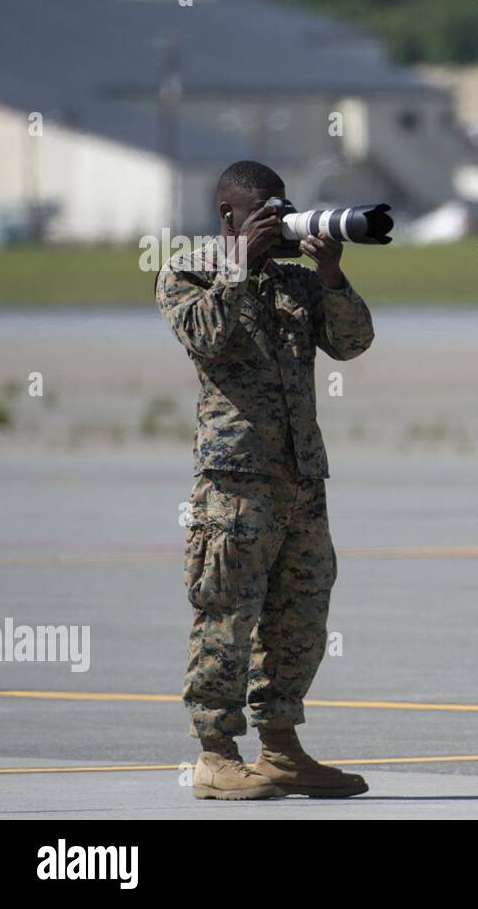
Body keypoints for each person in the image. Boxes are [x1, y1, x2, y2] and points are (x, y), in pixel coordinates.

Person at [156, 160, 374, 799]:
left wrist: (331, 276)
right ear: (230, 216)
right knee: (226, 616)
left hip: (302, 479)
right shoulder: (189, 271)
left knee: (300, 617)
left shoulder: (296, 283)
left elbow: (355, 341)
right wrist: (238, 267)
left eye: (284, 206)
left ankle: (280, 748)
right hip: (236, 481)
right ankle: (216, 754)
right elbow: (206, 337)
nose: (277, 220)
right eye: (263, 211)